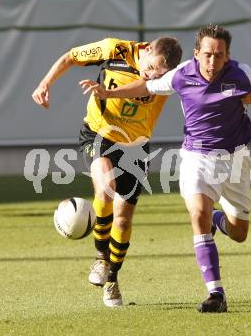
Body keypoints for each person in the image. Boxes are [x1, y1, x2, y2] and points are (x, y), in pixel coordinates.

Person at [79, 24, 251, 313]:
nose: (212, 61)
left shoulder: (244, 75)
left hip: (235, 160)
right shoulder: (182, 74)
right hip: (196, 157)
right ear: (197, 53)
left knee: (239, 233)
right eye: (207, 54)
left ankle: (218, 219)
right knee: (197, 213)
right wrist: (109, 94)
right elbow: (146, 85)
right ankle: (215, 294)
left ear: (227, 55)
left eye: (218, 55)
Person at [32, 36, 183, 307]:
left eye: (159, 75)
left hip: (136, 145)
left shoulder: (172, 77)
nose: (152, 76)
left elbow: (146, 85)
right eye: (151, 68)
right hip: (99, 133)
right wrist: (45, 84)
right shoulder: (114, 49)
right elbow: (71, 56)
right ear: (146, 49)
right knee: (105, 186)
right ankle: (101, 258)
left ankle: (112, 278)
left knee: (123, 221)